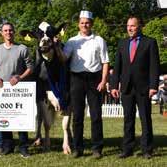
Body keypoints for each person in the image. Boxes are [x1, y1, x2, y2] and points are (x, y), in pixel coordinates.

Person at [111, 16, 160, 159]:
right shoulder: (122, 43)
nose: (130, 28)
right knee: (128, 119)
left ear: (139, 27)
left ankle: (147, 149)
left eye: (132, 26)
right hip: (126, 88)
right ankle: (127, 149)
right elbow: (117, 66)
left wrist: (153, 86)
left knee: (145, 119)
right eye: (128, 26)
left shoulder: (150, 42)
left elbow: (154, 66)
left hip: (144, 88)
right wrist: (114, 85)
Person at [63, 10, 109, 158]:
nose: (85, 25)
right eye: (82, 22)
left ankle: (97, 148)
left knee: (96, 115)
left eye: (87, 22)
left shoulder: (99, 40)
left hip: (94, 79)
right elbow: (63, 58)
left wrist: (103, 80)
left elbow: (105, 62)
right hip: (76, 78)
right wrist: (56, 46)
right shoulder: (71, 41)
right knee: (77, 116)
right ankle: (78, 148)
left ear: (91, 24)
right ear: (79, 24)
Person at [0, 22, 33, 158]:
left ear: (14, 32)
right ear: (2, 33)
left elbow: (30, 68)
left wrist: (19, 77)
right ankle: (8, 146)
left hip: (18, 89)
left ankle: (24, 147)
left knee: (21, 119)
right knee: (5, 119)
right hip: (2, 90)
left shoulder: (22, 48)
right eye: (5, 30)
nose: (8, 32)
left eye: (10, 30)